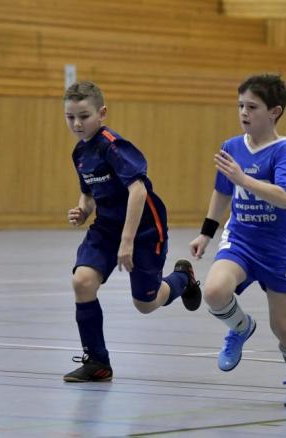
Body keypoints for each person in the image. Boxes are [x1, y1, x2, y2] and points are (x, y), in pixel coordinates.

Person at [62, 81, 202, 382]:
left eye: (84, 116)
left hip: (144, 229)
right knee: (82, 281)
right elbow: (88, 193)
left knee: (146, 303)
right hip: (106, 227)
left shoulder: (113, 146)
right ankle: (97, 362)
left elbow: (137, 191)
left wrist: (126, 243)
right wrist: (83, 210)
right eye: (70, 117)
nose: (76, 123)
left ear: (102, 113)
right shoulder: (80, 153)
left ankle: (182, 278)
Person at [189, 73, 286, 407]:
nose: (244, 112)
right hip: (240, 238)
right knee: (214, 291)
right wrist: (206, 232)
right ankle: (241, 328)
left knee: (283, 326)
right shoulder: (231, 147)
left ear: (275, 111)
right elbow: (222, 190)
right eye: (241, 105)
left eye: (252, 107)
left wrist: (246, 178)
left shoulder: (283, 153)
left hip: (277, 247)